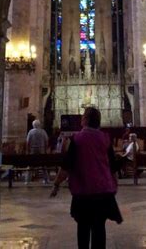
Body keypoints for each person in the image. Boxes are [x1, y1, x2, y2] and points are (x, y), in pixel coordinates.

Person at [50, 107, 123, 249]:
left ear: (86, 120)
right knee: (99, 228)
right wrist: (115, 184)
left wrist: (56, 184)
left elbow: (67, 166)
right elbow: (112, 166)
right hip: (102, 191)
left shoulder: (77, 139)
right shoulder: (105, 139)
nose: (81, 119)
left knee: (83, 228)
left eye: (83, 116)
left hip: (83, 191)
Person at [26, 119, 50, 184]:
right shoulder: (43, 132)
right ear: (39, 125)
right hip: (41, 150)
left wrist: (28, 150)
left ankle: (27, 180)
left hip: (33, 150)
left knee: (30, 165)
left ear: (33, 125)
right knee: (43, 165)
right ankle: (46, 180)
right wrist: (45, 149)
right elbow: (46, 141)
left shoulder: (31, 132)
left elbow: (28, 142)